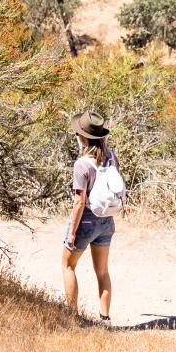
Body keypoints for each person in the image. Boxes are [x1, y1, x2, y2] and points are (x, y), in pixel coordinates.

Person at [61, 109, 122, 324]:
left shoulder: (82, 165)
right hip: (107, 221)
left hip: (86, 220)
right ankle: (105, 318)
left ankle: (72, 317)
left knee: (68, 265)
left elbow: (79, 202)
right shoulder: (111, 157)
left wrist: (72, 233)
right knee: (103, 271)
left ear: (83, 137)